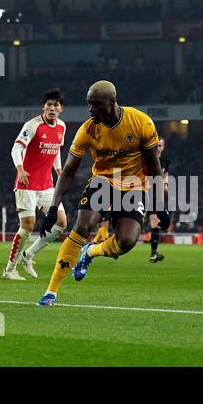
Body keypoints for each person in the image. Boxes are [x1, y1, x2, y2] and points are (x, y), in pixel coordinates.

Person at [36, 80, 161, 305]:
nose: (90, 109)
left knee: (127, 241)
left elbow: (154, 165)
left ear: (111, 102)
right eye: (88, 104)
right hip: (103, 181)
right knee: (82, 225)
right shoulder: (88, 129)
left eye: (95, 104)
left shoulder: (141, 122)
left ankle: (90, 252)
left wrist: (160, 204)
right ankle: (51, 292)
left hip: (133, 185)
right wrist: (54, 207)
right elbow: (68, 171)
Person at [3, 89, 69, 280]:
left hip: (47, 185)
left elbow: (56, 150)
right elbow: (16, 148)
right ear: (43, 107)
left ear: (61, 109)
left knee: (61, 223)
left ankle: (28, 255)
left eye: (56, 105)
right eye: (49, 104)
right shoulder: (33, 125)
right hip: (27, 184)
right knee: (28, 226)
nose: (52, 108)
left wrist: (59, 170)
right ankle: (9, 270)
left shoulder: (62, 127)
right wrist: (20, 169)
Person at [147, 137, 172, 263]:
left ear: (163, 147)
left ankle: (153, 254)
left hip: (156, 195)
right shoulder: (147, 159)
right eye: (156, 145)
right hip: (143, 192)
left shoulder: (165, 162)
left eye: (160, 145)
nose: (158, 148)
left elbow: (165, 178)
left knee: (154, 224)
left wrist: (166, 186)